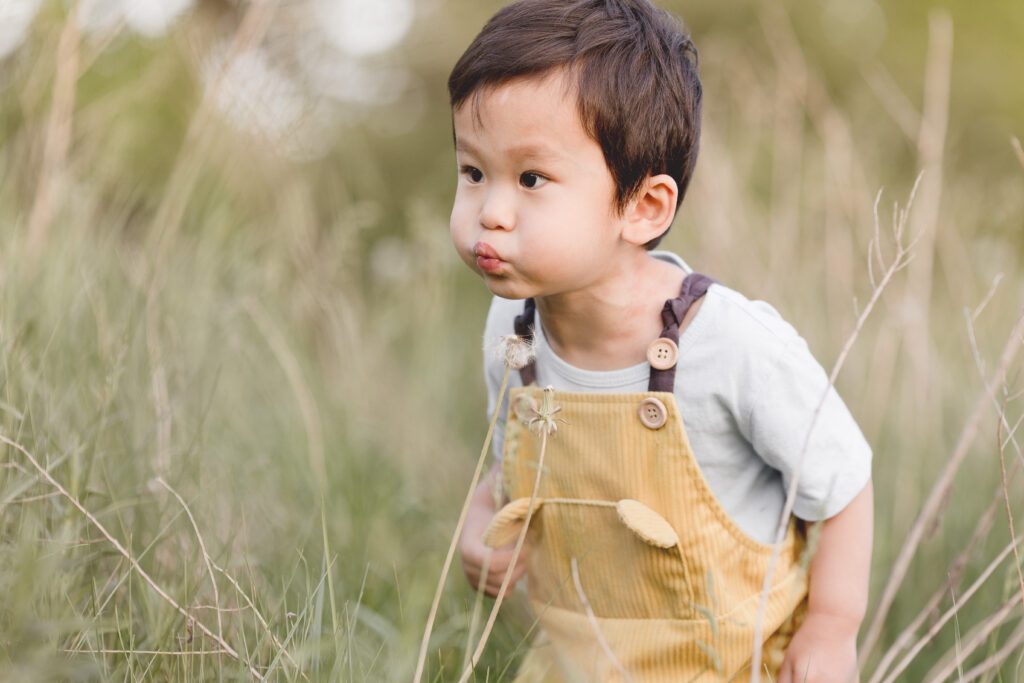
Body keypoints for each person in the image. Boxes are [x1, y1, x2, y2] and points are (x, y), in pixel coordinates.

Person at [448, 1, 873, 680]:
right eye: (473, 172)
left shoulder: (731, 344)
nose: (490, 212)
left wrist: (831, 625)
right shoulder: (511, 334)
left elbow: (845, 480)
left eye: (531, 179)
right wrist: (477, 528)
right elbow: (509, 463)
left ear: (643, 206)